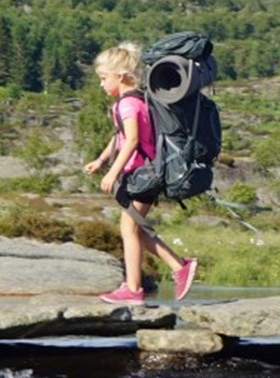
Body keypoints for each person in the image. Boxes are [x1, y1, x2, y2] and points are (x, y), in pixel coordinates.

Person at [83, 43, 199, 304]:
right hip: (143, 173)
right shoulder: (135, 100)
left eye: (104, 78)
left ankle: (137, 287)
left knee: (128, 228)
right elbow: (120, 137)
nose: (101, 85)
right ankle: (176, 267)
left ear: (121, 76)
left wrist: (112, 172)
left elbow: (133, 139)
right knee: (134, 228)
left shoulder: (127, 105)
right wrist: (101, 160)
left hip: (142, 174)